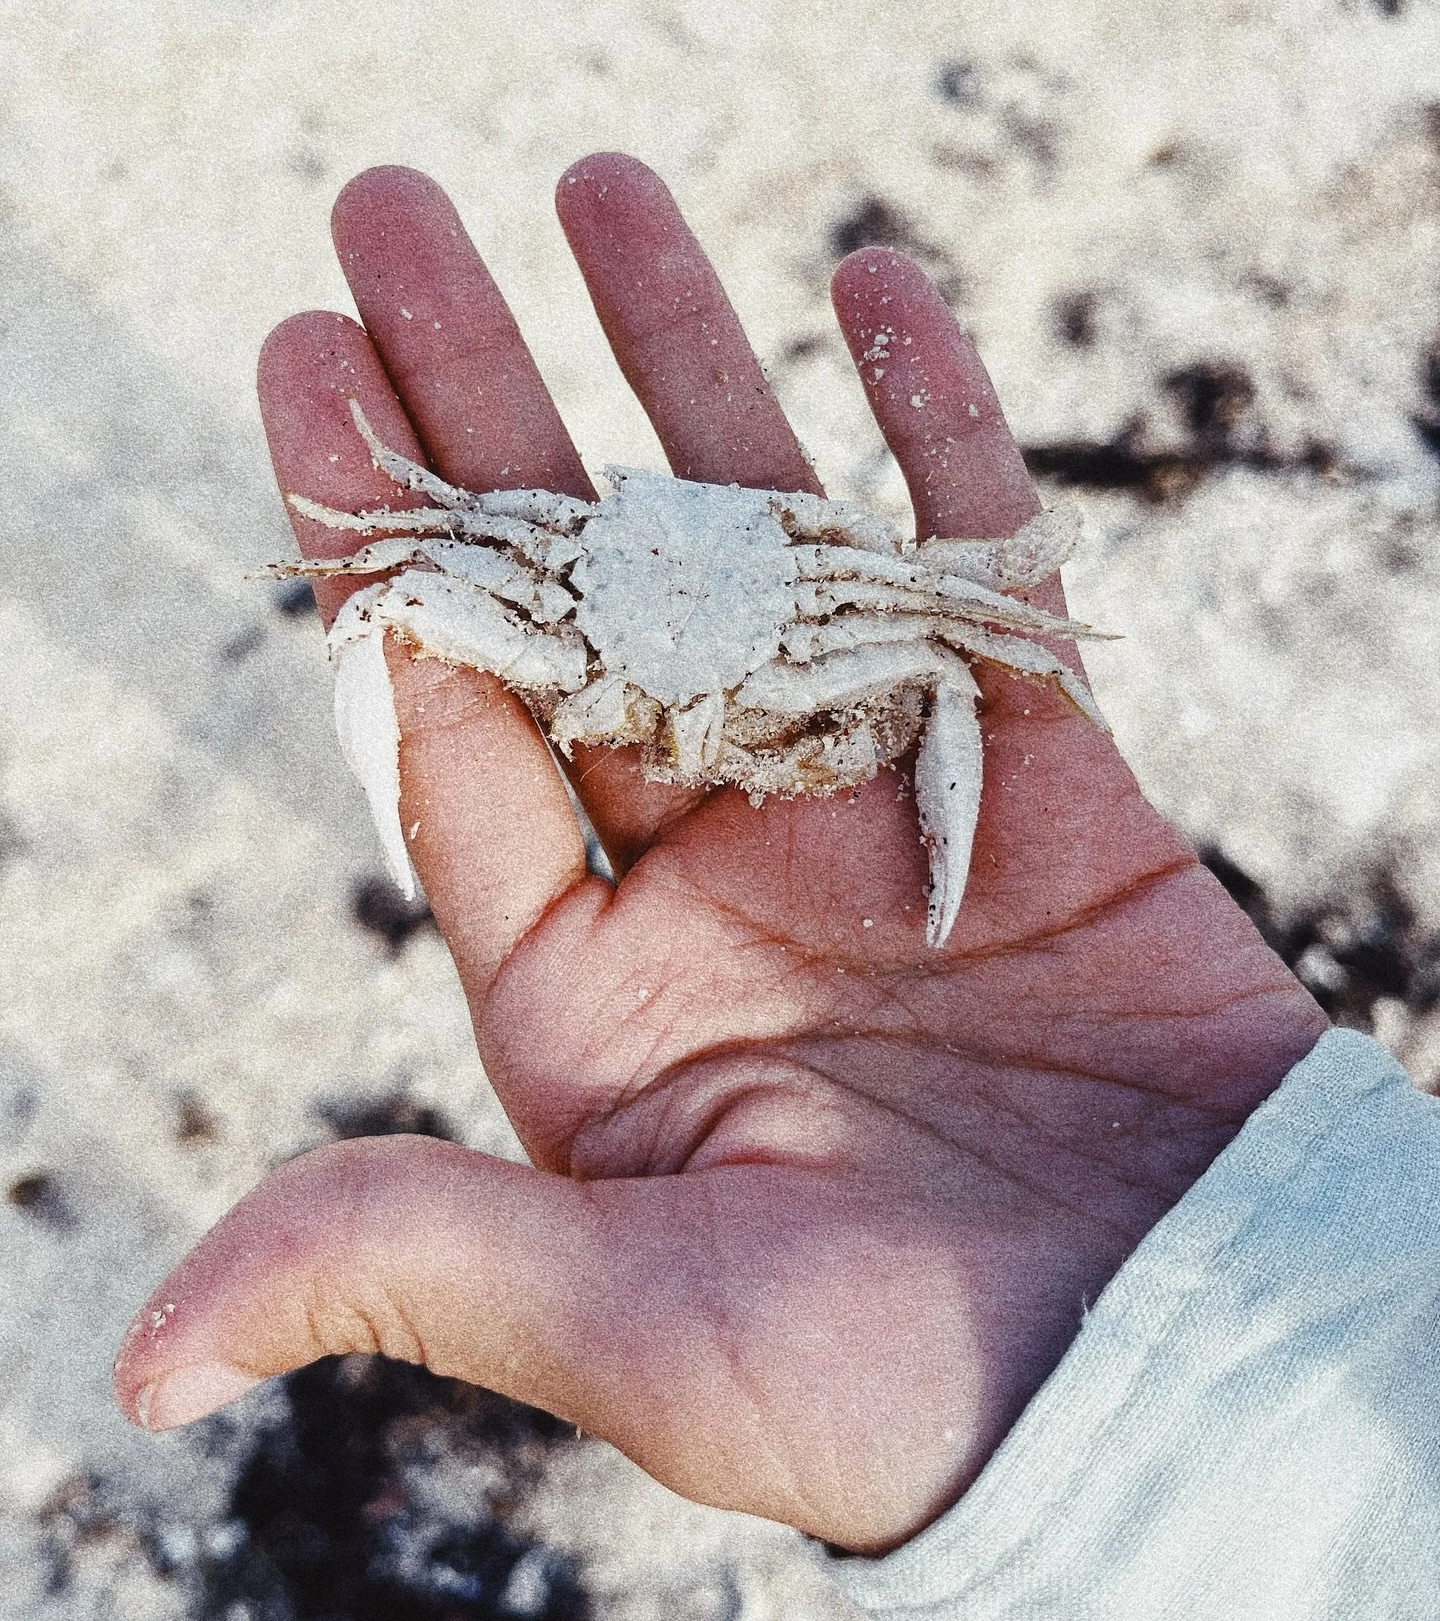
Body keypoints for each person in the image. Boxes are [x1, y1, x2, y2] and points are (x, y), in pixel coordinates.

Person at [113, 157, 1440, 1617]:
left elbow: (947, 636)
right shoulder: (557, 562)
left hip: (756, 615)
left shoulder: (836, 613)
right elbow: (421, 545)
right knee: (408, 570)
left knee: (946, 642)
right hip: (617, 588)